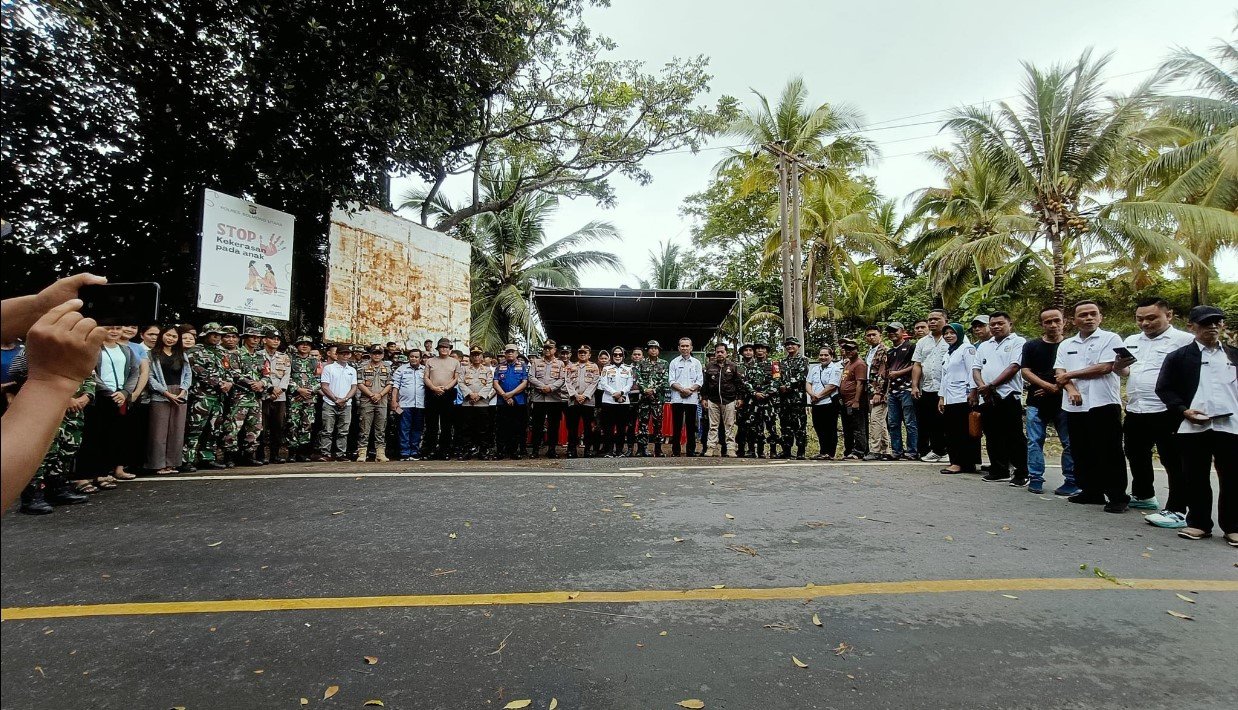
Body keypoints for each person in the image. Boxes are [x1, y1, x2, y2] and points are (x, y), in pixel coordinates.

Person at [1, 273, 109, 512]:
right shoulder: (35, 348)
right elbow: (19, 371)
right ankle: (34, 493)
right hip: (39, 403)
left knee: (61, 452)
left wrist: (38, 308)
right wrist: (52, 382)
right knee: (42, 454)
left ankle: (56, 485)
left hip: (67, 408)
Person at [1155, 305, 1237, 546]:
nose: (1211, 327)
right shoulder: (1179, 356)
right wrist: (1183, 410)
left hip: (1231, 425)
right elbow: (1164, 388)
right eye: (1204, 323)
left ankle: (1233, 527)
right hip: (1193, 426)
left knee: (1233, 477)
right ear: (1191, 327)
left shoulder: (1234, 355)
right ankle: (1199, 524)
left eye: (1216, 322)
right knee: (1195, 476)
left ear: (1222, 325)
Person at [1115, 297, 1195, 521]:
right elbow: (1128, 372)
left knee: (1173, 460)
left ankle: (1178, 509)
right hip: (1136, 408)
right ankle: (1143, 495)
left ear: (1168, 315)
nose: (1145, 323)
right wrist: (1119, 367)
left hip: (1168, 410)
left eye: (1152, 318)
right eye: (1140, 319)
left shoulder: (1185, 340)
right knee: (1135, 453)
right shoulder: (1132, 340)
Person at [1054, 300, 1135, 513]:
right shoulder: (1066, 345)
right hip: (1074, 405)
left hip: (1103, 402)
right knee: (1081, 449)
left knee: (1109, 450)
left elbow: (1106, 367)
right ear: (1073, 320)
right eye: (1083, 315)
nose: (1088, 318)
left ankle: (1117, 496)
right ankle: (1091, 491)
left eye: (1093, 314)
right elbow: (1059, 372)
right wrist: (1071, 389)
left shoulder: (1111, 338)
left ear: (1100, 317)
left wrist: (1069, 375)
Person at [1020, 307, 1077, 495]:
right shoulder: (1031, 346)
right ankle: (1035, 477)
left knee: (1069, 441)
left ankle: (1071, 479)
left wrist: (1056, 389)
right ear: (1041, 324)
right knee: (1034, 440)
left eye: (1056, 320)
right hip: (1036, 402)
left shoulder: (1071, 345)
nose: (1053, 325)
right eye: (1048, 322)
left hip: (1065, 402)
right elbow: (1025, 371)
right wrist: (1046, 386)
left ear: (1064, 322)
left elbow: (1074, 372)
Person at [78, 325, 141, 488]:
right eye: (109, 328)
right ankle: (83, 476)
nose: (114, 331)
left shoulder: (126, 350)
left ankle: (102, 474)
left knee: (111, 436)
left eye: (117, 328)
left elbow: (135, 372)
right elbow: (90, 372)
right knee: (92, 437)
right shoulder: (93, 348)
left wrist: (125, 392)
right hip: (99, 397)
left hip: (120, 398)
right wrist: (109, 392)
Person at [972, 312, 1029, 485]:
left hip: (1008, 394)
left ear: (1010, 324)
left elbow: (1014, 367)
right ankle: (999, 469)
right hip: (987, 398)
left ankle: (1021, 472)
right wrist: (982, 386)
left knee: (1014, 435)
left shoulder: (1018, 342)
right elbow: (976, 368)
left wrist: (991, 386)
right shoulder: (984, 345)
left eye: (1000, 323)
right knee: (992, 434)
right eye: (993, 324)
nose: (996, 327)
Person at [181, 323, 230, 472]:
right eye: (213, 334)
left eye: (219, 335)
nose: (216, 337)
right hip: (200, 397)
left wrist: (229, 382)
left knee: (213, 429)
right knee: (195, 429)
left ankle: (207, 458)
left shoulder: (222, 352)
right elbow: (199, 372)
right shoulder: (194, 351)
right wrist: (220, 382)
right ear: (205, 335)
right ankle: (186, 459)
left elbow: (229, 370)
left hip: (218, 397)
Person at [145, 325, 191, 474]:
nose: (170, 339)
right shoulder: (151, 354)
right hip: (160, 395)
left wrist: (183, 390)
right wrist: (165, 392)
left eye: (174, 337)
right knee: (158, 432)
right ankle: (158, 465)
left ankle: (172, 463)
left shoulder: (182, 354)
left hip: (179, 394)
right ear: (161, 336)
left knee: (176, 431)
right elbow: (149, 377)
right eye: (168, 335)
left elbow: (188, 374)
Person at [222, 325, 268, 466]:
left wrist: (262, 383)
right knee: (233, 427)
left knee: (255, 428)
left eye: (258, 338)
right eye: (252, 337)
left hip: (255, 398)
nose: (255, 340)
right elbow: (233, 373)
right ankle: (230, 456)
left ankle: (249, 455)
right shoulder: (235, 354)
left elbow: (267, 375)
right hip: (239, 397)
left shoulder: (261, 356)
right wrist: (251, 383)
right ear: (245, 339)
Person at [938, 323, 980, 473]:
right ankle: (955, 461)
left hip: (963, 396)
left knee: (963, 431)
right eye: (946, 333)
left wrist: (972, 392)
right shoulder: (948, 353)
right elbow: (944, 377)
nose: (948, 336)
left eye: (952, 333)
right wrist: (942, 397)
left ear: (960, 334)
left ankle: (963, 463)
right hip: (950, 398)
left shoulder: (967, 349)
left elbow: (972, 371)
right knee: (951, 431)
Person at [912, 309, 950, 462]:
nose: (932, 322)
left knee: (946, 421)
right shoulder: (922, 342)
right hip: (928, 386)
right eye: (930, 319)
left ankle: (948, 451)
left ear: (945, 320)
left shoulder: (952, 337)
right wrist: (915, 386)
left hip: (947, 387)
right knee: (931, 420)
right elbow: (917, 364)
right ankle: (937, 450)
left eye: (936, 319)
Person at [315, 344, 358, 461]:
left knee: (343, 431)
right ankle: (325, 453)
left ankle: (341, 454)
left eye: (347, 353)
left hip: (346, 404)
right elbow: (324, 386)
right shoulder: (329, 368)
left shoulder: (352, 370)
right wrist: (336, 399)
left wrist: (345, 399)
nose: (345, 356)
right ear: (337, 355)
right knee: (327, 430)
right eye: (342, 353)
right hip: (330, 402)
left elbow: (354, 387)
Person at [883, 323, 918, 462]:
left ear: (902, 331)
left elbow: (916, 365)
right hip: (892, 391)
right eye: (889, 331)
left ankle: (912, 451)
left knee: (910, 422)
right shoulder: (890, 352)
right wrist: (886, 391)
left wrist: (899, 373)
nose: (892, 333)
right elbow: (888, 372)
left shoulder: (911, 347)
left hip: (907, 388)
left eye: (895, 331)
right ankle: (896, 451)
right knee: (893, 422)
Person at [257, 326, 291, 464]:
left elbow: (286, 375)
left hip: (280, 396)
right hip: (263, 396)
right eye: (273, 338)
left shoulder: (284, 357)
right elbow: (259, 374)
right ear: (264, 340)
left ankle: (275, 454)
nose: (276, 341)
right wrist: (270, 389)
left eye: (278, 339)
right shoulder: (258, 355)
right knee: (261, 427)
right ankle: (260, 455)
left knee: (278, 426)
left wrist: (280, 389)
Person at [703, 343, 743, 457]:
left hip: (729, 400)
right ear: (715, 353)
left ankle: (731, 449)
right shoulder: (709, 367)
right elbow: (705, 384)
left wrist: (739, 398)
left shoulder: (733, 366)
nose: (720, 354)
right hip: (713, 400)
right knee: (713, 426)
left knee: (729, 425)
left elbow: (739, 384)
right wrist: (704, 398)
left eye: (722, 352)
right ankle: (710, 448)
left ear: (726, 353)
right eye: (717, 352)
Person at [528, 340, 567, 458]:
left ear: (555, 350)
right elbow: (530, 376)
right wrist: (542, 387)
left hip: (554, 399)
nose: (547, 350)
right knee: (537, 425)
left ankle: (552, 449)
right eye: (545, 348)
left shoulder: (560, 363)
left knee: (553, 425)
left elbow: (562, 379)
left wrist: (550, 388)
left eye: (550, 348)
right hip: (539, 399)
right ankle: (535, 450)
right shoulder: (536, 362)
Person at [285, 336, 321, 462]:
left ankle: (303, 452)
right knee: (292, 424)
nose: (304, 346)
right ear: (297, 345)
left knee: (307, 424)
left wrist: (310, 390)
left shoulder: (315, 362)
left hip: (310, 398)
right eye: (302, 344)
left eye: (307, 344)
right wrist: (298, 389)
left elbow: (319, 379)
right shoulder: (290, 359)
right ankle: (292, 452)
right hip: (295, 397)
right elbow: (285, 377)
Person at [423, 338, 460, 460]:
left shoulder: (455, 362)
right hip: (432, 393)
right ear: (438, 349)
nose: (444, 349)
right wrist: (434, 388)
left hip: (448, 394)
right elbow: (426, 377)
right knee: (431, 424)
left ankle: (445, 451)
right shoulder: (430, 361)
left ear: (450, 349)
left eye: (446, 347)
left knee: (446, 425)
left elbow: (456, 378)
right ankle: (430, 450)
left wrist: (445, 388)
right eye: (441, 347)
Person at [457, 346, 495, 460]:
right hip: (468, 403)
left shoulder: (487, 370)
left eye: (478, 355)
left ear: (482, 356)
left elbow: (489, 384)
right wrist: (470, 394)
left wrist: (479, 395)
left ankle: (483, 451)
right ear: (470, 357)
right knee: (467, 428)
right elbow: (460, 383)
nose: (476, 357)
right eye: (474, 355)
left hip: (482, 403)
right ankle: (466, 450)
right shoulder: (464, 369)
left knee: (483, 428)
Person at [740, 342, 778, 458]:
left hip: (769, 401)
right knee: (753, 426)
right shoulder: (749, 365)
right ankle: (754, 450)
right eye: (758, 349)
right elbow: (745, 382)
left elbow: (777, 381)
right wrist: (755, 393)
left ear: (766, 351)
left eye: (763, 348)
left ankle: (773, 450)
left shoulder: (774, 364)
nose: (760, 351)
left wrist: (766, 393)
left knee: (771, 425)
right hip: (753, 401)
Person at [356, 345, 393, 462]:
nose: (377, 355)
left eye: (379, 353)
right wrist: (371, 395)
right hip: (367, 400)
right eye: (374, 353)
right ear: (370, 354)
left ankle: (380, 453)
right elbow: (359, 383)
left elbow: (390, 383)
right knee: (364, 427)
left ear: (383, 355)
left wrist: (380, 395)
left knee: (381, 427)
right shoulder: (363, 366)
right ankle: (362, 452)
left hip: (382, 400)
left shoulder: (387, 367)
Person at [668, 338, 704, 457]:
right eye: (682, 346)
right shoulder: (674, 362)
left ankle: (691, 450)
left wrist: (690, 390)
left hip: (691, 399)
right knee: (677, 425)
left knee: (691, 426)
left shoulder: (696, 363)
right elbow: (671, 380)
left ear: (691, 348)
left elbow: (700, 381)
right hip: (677, 398)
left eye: (687, 346)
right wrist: (682, 390)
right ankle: (676, 451)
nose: (684, 348)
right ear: (679, 348)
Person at [632, 340, 669, 457]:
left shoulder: (664, 363)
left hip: (657, 399)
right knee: (643, 424)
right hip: (644, 399)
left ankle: (658, 449)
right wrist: (646, 389)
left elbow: (665, 379)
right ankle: (641, 449)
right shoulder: (641, 363)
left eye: (656, 348)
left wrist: (653, 390)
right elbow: (638, 379)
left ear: (659, 350)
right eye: (651, 348)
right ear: (647, 350)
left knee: (658, 424)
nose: (653, 350)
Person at [493, 344, 529, 459]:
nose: (510, 354)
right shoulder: (499, 367)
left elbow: (524, 383)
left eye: (512, 351)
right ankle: (500, 451)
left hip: (518, 401)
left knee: (516, 427)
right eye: (508, 352)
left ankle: (513, 451)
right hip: (502, 401)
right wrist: (505, 396)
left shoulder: (522, 366)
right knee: (502, 427)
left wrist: (511, 394)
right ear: (505, 353)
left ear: (517, 353)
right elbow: (495, 383)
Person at [390, 349, 427, 460]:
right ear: (408, 358)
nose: (414, 359)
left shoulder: (425, 370)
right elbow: (395, 386)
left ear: (420, 358)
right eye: (411, 356)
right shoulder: (401, 370)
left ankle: (414, 452)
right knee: (404, 429)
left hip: (420, 404)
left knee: (417, 429)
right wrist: (394, 401)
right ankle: (404, 452)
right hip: (404, 404)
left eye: (416, 357)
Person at [564, 345, 600, 458]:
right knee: (572, 427)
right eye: (580, 352)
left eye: (585, 352)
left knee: (588, 427)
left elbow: (595, 382)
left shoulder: (594, 366)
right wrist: (575, 395)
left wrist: (585, 395)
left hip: (588, 402)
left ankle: (587, 450)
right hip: (573, 401)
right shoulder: (571, 366)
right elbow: (567, 381)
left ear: (589, 354)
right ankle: (571, 450)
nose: (582, 354)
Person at [777, 337, 809, 459]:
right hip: (784, 399)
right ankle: (786, 450)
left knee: (799, 425)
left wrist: (788, 386)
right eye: (788, 345)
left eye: (792, 345)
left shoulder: (803, 360)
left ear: (798, 346)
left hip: (797, 399)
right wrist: (779, 386)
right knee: (785, 425)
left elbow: (802, 376)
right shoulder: (782, 362)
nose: (790, 347)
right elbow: (777, 376)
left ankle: (801, 451)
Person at [599, 346, 634, 456]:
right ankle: (609, 451)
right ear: (612, 356)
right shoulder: (606, 368)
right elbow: (603, 384)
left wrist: (621, 393)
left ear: (623, 356)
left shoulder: (628, 369)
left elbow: (630, 384)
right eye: (615, 354)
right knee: (608, 427)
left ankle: (619, 450)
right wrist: (615, 394)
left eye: (620, 354)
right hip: (608, 401)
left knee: (621, 428)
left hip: (623, 401)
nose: (618, 356)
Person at [807, 346, 841, 459]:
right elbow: (808, 383)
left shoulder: (835, 369)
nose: (823, 357)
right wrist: (812, 395)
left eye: (826, 355)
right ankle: (822, 451)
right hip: (816, 403)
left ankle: (830, 453)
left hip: (829, 402)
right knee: (819, 428)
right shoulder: (815, 369)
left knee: (830, 428)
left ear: (831, 356)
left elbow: (832, 385)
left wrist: (818, 396)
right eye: (821, 355)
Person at [863, 327, 891, 461]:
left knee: (875, 420)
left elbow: (883, 372)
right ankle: (886, 449)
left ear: (880, 335)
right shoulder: (869, 351)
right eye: (868, 335)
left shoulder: (884, 350)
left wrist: (879, 392)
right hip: (870, 390)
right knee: (879, 421)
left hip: (879, 391)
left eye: (874, 335)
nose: (871, 337)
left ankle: (875, 450)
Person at [838, 338, 869, 459]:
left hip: (855, 401)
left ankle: (860, 451)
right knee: (848, 428)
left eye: (852, 349)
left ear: (857, 350)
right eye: (847, 349)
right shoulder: (848, 363)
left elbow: (860, 384)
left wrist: (856, 401)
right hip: (845, 401)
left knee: (858, 427)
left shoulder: (860, 364)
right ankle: (849, 450)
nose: (849, 351)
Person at [735, 343, 756, 456]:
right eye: (746, 350)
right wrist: (738, 398)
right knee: (741, 424)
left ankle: (752, 449)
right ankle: (741, 448)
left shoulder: (757, 365)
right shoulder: (737, 366)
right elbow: (735, 384)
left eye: (750, 350)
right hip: (741, 400)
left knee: (753, 425)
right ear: (742, 353)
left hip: (754, 400)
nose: (748, 352)